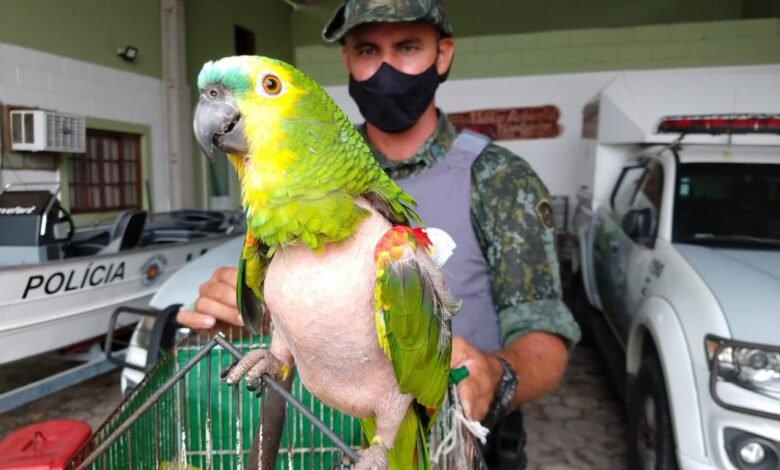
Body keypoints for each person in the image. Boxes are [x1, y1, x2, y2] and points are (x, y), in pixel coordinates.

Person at [178, 0, 580, 467]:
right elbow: (305, 306)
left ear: (442, 54)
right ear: (347, 59)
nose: (386, 67)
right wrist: (253, 313)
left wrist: (496, 375)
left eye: (407, 46)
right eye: (368, 49)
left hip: (459, 435)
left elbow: (546, 338)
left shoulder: (502, 179)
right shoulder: (282, 174)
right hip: (326, 433)